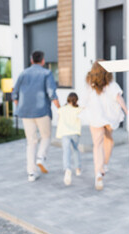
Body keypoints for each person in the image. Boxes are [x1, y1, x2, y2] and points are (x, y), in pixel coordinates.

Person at [13, 50, 60, 182]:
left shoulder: (23, 74)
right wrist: (60, 109)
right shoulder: (47, 73)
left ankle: (31, 173)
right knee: (46, 137)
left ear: (31, 60)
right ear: (43, 61)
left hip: (26, 113)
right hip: (42, 112)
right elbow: (52, 94)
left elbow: (14, 94)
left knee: (31, 142)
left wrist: (20, 107)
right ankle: (41, 157)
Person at [79, 62, 127, 191]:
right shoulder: (111, 84)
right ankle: (104, 164)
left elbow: (83, 101)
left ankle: (98, 173)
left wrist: (76, 112)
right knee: (109, 140)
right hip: (109, 117)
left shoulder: (90, 84)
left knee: (97, 144)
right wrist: (127, 112)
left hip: (95, 118)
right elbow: (119, 98)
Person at [57, 92, 82, 186]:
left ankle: (67, 169)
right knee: (75, 150)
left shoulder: (62, 109)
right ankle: (78, 169)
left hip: (65, 133)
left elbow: (59, 115)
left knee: (66, 151)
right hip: (75, 133)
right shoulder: (78, 109)